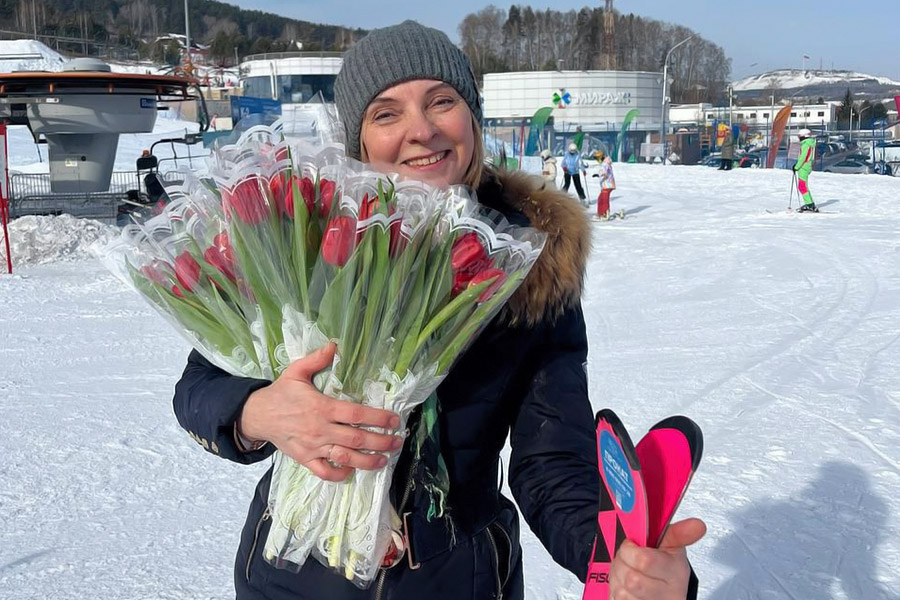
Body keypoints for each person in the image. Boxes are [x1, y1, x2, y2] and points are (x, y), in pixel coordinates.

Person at [172, 20, 704, 600]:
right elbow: (200, 387)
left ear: (471, 117)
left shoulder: (532, 263)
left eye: (441, 102)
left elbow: (549, 459)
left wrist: (613, 557)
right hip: (293, 571)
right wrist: (257, 413)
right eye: (386, 113)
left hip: (459, 577)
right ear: (359, 140)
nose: (421, 131)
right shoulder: (302, 232)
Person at [793, 128, 817, 212]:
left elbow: (803, 157)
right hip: (805, 166)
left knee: (802, 186)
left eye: (800, 136)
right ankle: (809, 203)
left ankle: (810, 204)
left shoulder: (806, 144)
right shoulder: (807, 143)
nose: (799, 138)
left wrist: (797, 167)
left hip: (804, 167)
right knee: (802, 186)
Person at [591, 150, 616, 220]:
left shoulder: (605, 164)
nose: (596, 160)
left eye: (597, 158)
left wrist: (601, 174)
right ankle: (601, 213)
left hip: (607, 184)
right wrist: (598, 174)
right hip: (606, 185)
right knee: (600, 198)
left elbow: (605, 171)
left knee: (604, 199)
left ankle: (605, 213)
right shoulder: (605, 163)